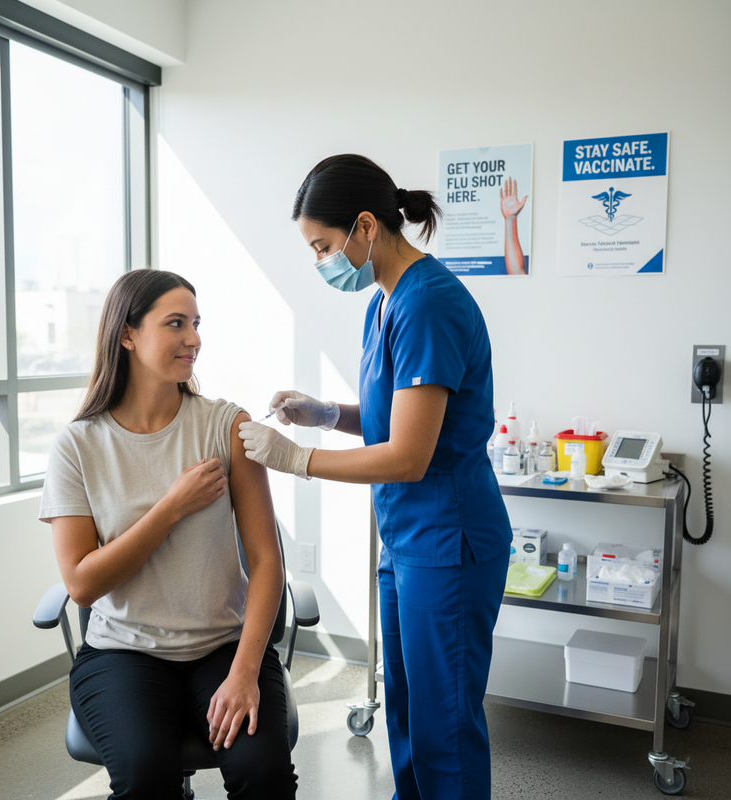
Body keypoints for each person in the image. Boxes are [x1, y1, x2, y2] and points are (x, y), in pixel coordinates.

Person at [238, 154, 512, 800]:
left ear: (365, 227)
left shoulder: (429, 303)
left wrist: (296, 458)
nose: (320, 262)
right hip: (406, 539)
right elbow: (395, 418)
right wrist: (327, 414)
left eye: (323, 246)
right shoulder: (383, 303)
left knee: (445, 723)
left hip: (448, 539)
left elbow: (408, 455)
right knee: (407, 710)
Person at [39, 269, 298, 800]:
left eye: (197, 324)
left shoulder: (226, 426)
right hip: (122, 652)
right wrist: (172, 507)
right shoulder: (77, 446)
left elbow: (266, 561)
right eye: (176, 323)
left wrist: (245, 671)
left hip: (224, 647)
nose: (194, 339)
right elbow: (82, 585)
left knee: (264, 773)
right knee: (144, 776)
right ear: (127, 335)